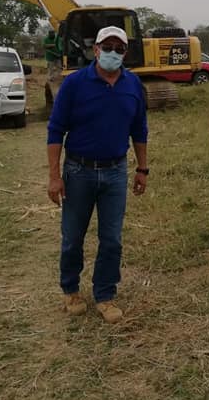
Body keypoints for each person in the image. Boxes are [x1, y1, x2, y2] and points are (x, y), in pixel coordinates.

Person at [46, 26, 149, 323]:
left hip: (116, 172)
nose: (113, 53)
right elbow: (55, 130)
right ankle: (71, 290)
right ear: (96, 50)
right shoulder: (75, 83)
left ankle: (105, 294)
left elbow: (139, 129)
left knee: (112, 239)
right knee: (72, 237)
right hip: (78, 171)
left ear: (125, 53)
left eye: (119, 48)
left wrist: (142, 168)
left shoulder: (133, 84)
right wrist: (54, 176)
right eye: (108, 47)